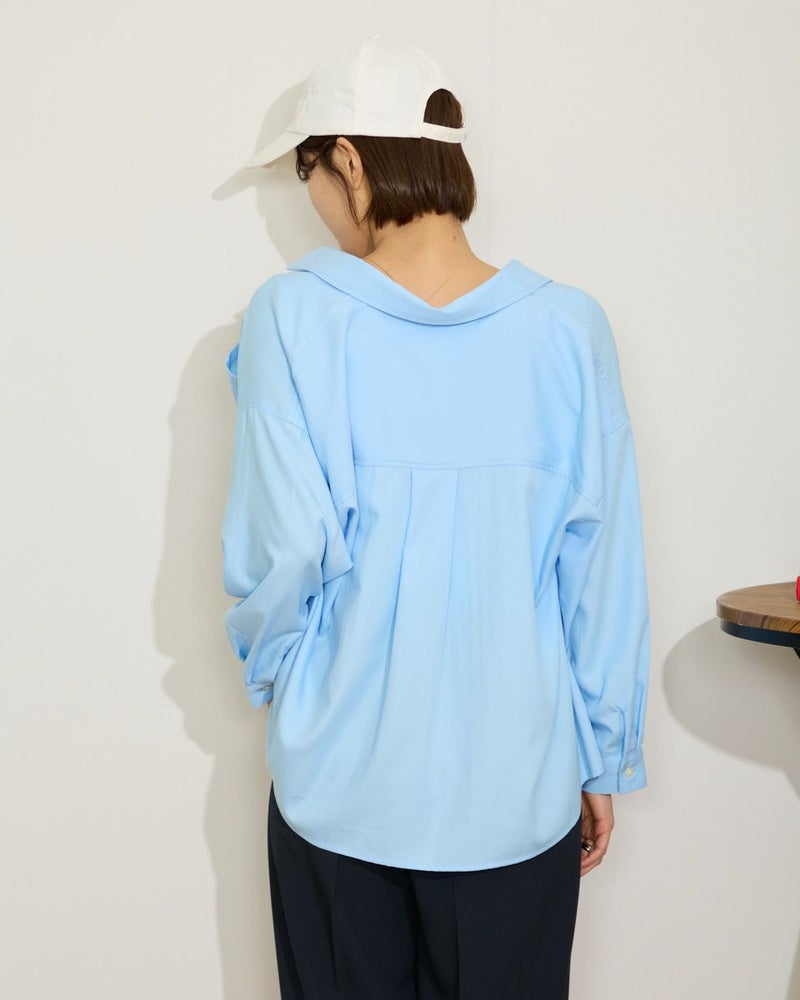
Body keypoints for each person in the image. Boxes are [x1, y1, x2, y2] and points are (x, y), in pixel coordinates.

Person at [221, 34, 650, 999]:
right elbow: (601, 568)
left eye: (306, 175)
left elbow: (281, 550)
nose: (312, 203)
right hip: (519, 798)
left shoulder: (291, 317)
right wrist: (601, 754)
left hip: (340, 793)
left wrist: (294, 686)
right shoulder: (569, 329)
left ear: (348, 161)